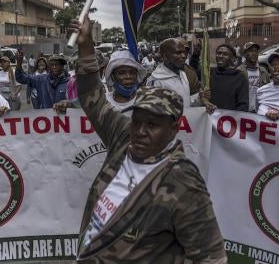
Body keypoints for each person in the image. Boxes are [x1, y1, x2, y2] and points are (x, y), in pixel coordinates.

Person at [69, 18, 227, 264]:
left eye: (152, 125)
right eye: (137, 120)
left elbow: (211, 258)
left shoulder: (183, 182)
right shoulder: (123, 135)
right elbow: (93, 98)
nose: (140, 131)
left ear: (174, 128)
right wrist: (86, 47)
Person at [147, 38, 201, 107]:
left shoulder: (183, 74)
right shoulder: (157, 81)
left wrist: (199, 98)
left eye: (184, 52)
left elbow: (185, 102)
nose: (183, 56)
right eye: (178, 53)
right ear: (165, 56)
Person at [207, 44, 249, 112]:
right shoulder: (209, 73)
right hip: (209, 119)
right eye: (218, 53)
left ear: (233, 59)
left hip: (228, 121)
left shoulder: (240, 77)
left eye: (225, 54)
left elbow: (243, 105)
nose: (220, 56)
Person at [237, 42, 270, 112]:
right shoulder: (238, 71)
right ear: (245, 54)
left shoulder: (263, 71)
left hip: (260, 110)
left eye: (256, 51)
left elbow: (268, 91)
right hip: (244, 110)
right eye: (251, 51)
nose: (254, 53)